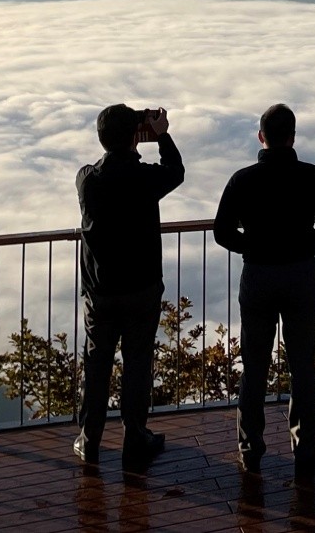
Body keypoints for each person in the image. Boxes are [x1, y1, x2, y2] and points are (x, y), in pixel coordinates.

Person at [213, 102, 315, 479]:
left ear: (261, 137)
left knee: (254, 363)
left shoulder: (242, 180)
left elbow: (222, 232)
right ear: (293, 136)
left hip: (257, 276)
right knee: (301, 362)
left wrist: (251, 247)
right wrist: (308, 241)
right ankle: (304, 447)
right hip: (301, 272)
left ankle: (250, 447)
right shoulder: (311, 176)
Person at [75, 103, 184, 472]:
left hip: (101, 293)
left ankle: (90, 440)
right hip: (141, 288)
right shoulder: (144, 178)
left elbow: (101, 164)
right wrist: (161, 134)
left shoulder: (88, 180)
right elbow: (176, 171)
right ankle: (134, 436)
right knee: (137, 363)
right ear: (133, 137)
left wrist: (128, 135)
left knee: (97, 364)